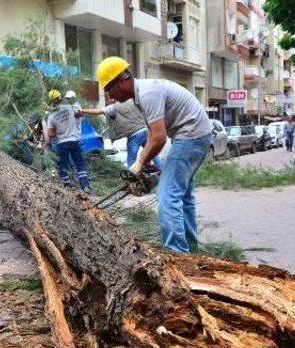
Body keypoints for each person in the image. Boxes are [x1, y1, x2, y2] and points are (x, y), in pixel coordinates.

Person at [96, 56, 213, 253]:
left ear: (123, 77)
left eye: (110, 89)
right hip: (193, 133)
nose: (110, 96)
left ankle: (177, 255)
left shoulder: (148, 93)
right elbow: (152, 132)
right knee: (182, 195)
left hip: (191, 134)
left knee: (167, 194)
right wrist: (147, 162)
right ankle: (192, 253)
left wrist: (138, 164)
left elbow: (159, 138)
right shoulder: (141, 96)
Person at [82, 98, 163, 169]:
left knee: (131, 160)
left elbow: (97, 112)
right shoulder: (129, 102)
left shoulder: (112, 108)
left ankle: (132, 180)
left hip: (135, 135)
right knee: (152, 153)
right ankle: (162, 170)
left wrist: (82, 110)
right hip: (145, 131)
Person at [46, 89, 90, 192]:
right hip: (74, 141)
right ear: (60, 98)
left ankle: (67, 186)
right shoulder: (70, 108)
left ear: (51, 101)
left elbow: (50, 134)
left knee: (63, 165)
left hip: (61, 143)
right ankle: (85, 186)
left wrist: (58, 131)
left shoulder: (51, 116)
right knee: (79, 163)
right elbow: (80, 114)